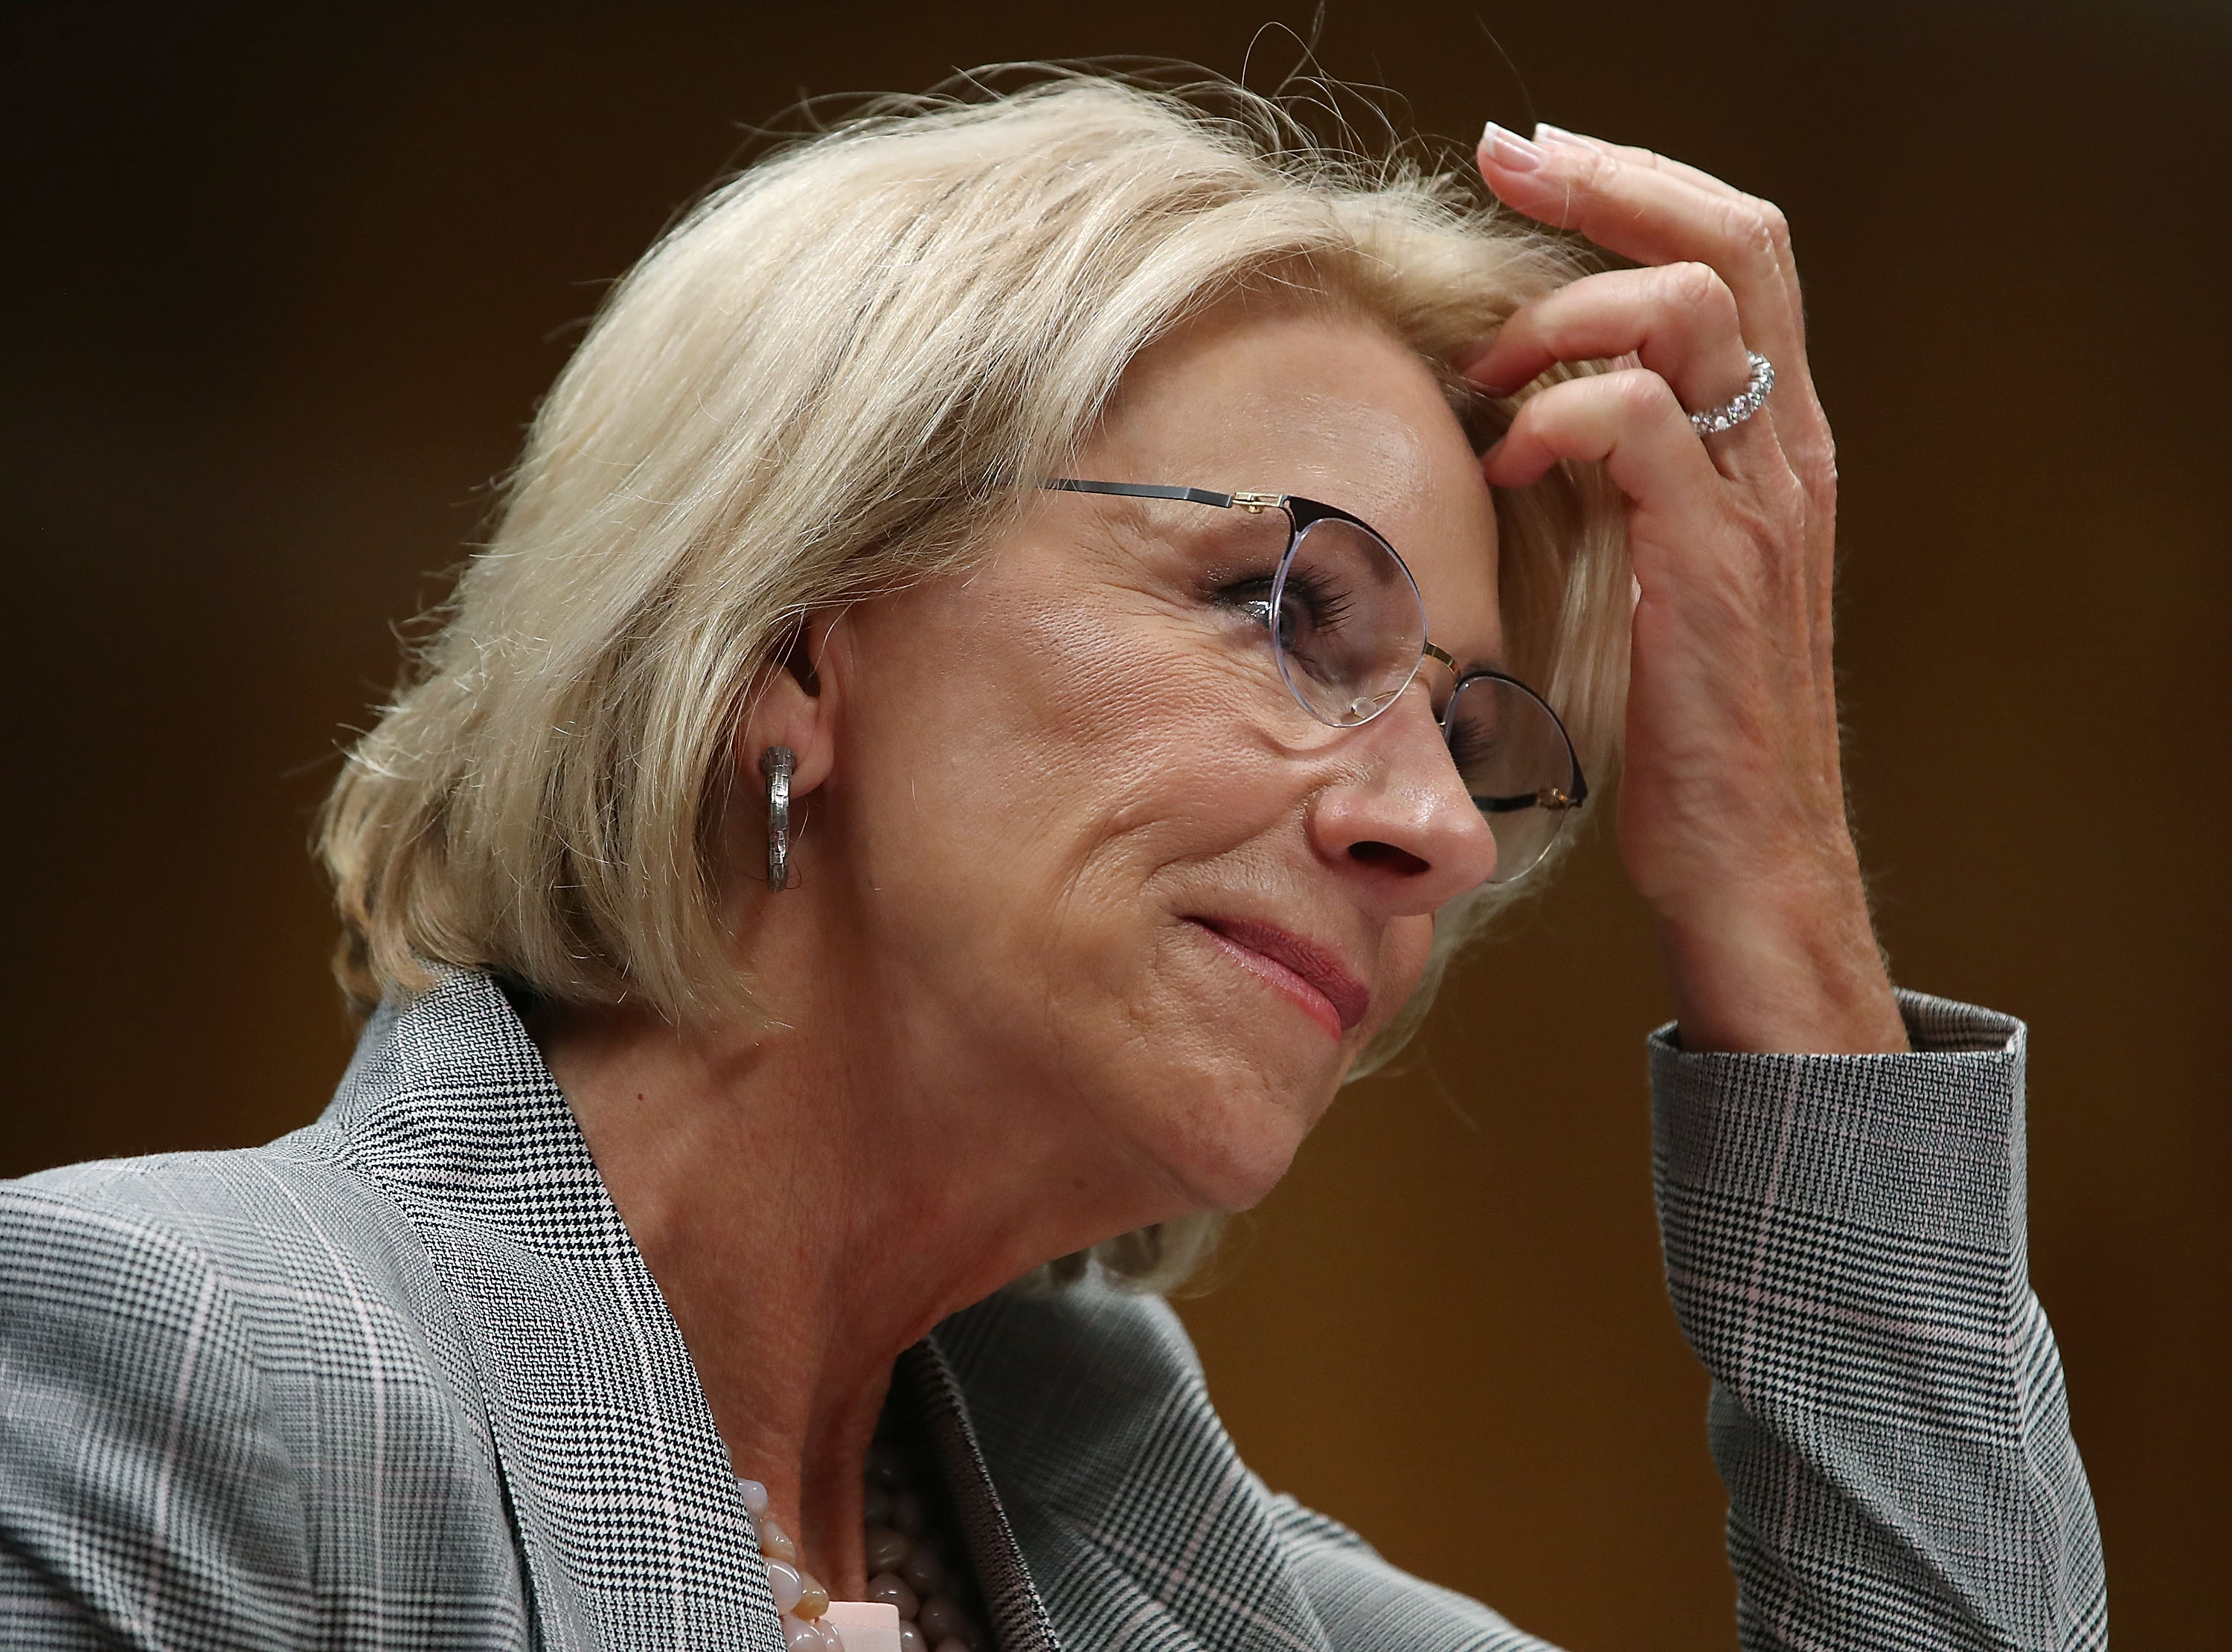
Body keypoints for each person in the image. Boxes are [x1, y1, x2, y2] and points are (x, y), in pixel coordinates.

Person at [0, 71, 2104, 1651]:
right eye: (1287, 607)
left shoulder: (1221, 1602)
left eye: (1476, 734)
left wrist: (1776, 892)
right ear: (798, 634)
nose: (1441, 830)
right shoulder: (146, 1373)